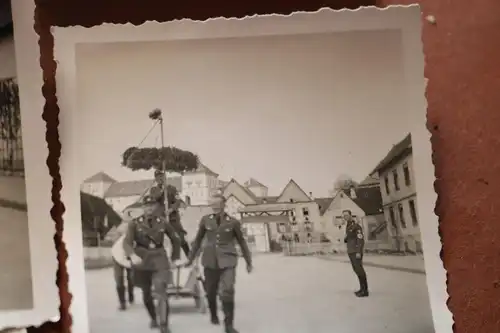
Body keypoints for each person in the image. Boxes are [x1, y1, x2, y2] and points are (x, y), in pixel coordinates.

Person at [185, 193, 253, 333]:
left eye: (217, 204)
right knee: (210, 291)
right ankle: (214, 313)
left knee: (227, 290)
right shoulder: (205, 220)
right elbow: (198, 240)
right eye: (212, 205)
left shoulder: (233, 222)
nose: (214, 207)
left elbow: (242, 242)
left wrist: (248, 261)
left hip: (228, 260)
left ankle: (229, 325)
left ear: (223, 205)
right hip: (210, 261)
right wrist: (190, 258)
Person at [123, 195, 181, 333]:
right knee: (146, 294)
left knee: (161, 291)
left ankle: (164, 324)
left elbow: (176, 239)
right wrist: (132, 255)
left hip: (159, 258)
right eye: (146, 205)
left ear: (156, 206)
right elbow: (127, 242)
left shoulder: (163, 222)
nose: (149, 208)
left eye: (152, 205)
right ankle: (154, 318)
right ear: (143, 207)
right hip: (142, 261)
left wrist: (175, 258)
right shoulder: (134, 223)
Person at [150, 169, 191, 256]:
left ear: (165, 177)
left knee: (180, 237)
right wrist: (162, 190)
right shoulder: (153, 190)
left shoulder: (172, 189)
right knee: (157, 240)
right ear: (156, 179)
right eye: (158, 177)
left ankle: (189, 257)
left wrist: (171, 209)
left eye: (162, 176)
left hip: (172, 218)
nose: (160, 179)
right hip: (160, 218)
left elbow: (177, 201)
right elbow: (154, 199)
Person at [343, 209, 369, 297]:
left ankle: (365, 290)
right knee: (356, 270)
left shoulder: (356, 226)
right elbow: (349, 238)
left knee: (359, 270)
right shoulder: (348, 226)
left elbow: (360, 240)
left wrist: (358, 252)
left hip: (355, 251)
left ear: (351, 215)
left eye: (346, 215)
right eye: (344, 216)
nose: (345, 217)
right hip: (351, 251)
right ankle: (361, 289)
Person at [111, 216, 135, 310]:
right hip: (118, 256)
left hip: (129, 255)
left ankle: (131, 296)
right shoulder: (123, 239)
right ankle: (122, 303)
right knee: (119, 279)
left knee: (131, 278)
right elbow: (121, 259)